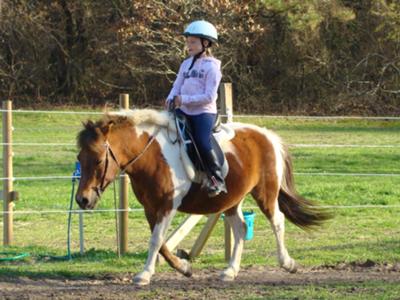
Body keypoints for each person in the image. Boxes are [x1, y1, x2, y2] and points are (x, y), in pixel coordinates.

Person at [165, 20, 227, 197]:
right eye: (188, 42)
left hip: (203, 113)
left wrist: (184, 99)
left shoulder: (213, 67)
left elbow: (209, 96)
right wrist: (170, 98)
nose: (188, 45)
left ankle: (216, 179)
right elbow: (177, 85)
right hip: (183, 110)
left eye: (192, 42)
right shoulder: (185, 64)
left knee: (201, 141)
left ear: (205, 43)